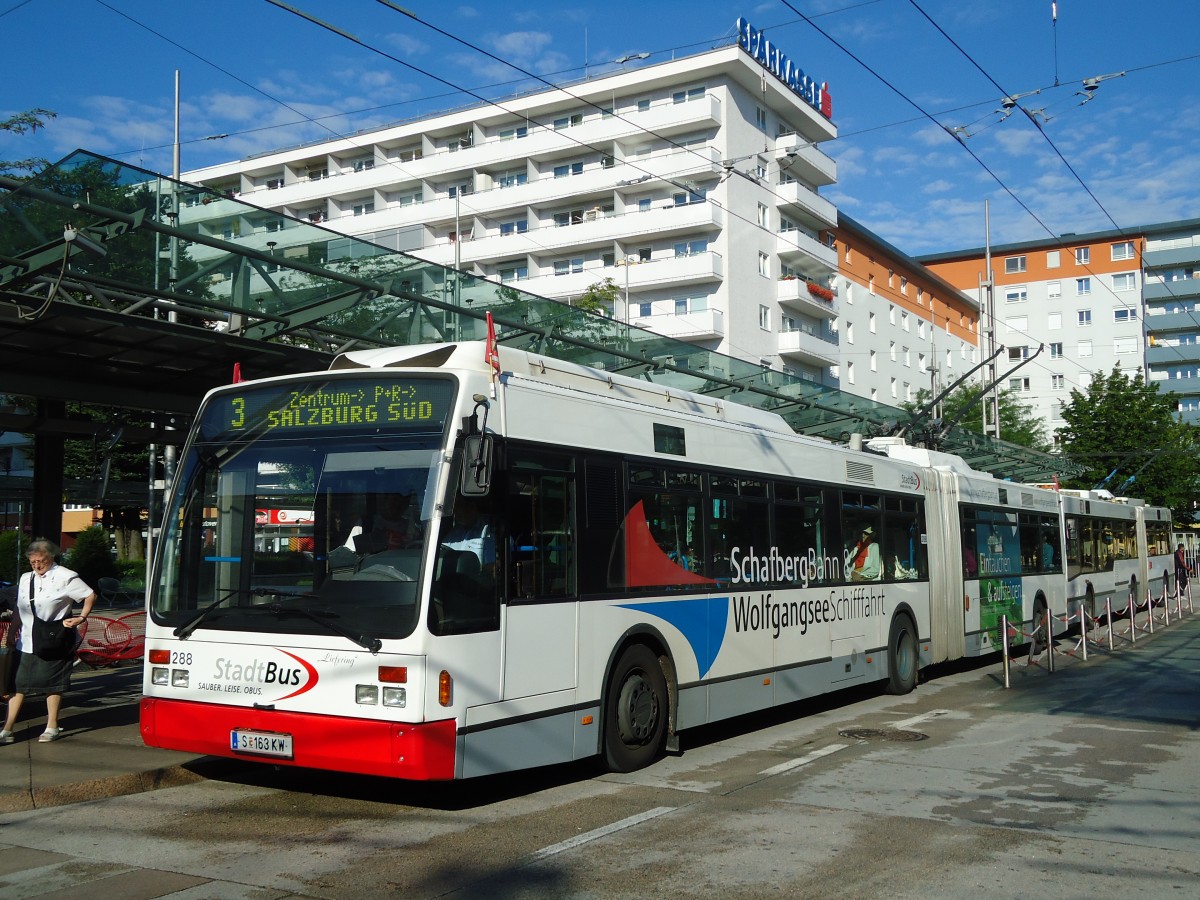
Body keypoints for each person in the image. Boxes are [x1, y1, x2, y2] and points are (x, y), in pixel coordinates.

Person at [0, 539, 96, 744]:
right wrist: (11, 633)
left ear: (51, 557)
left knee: (53, 683)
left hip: (54, 639)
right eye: (32, 561)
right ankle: (7, 729)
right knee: (18, 684)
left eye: (41, 561)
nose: (36, 565)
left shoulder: (66, 576)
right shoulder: (27, 578)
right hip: (26, 640)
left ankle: (52, 725)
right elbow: (20, 608)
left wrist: (81, 617)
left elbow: (90, 595)